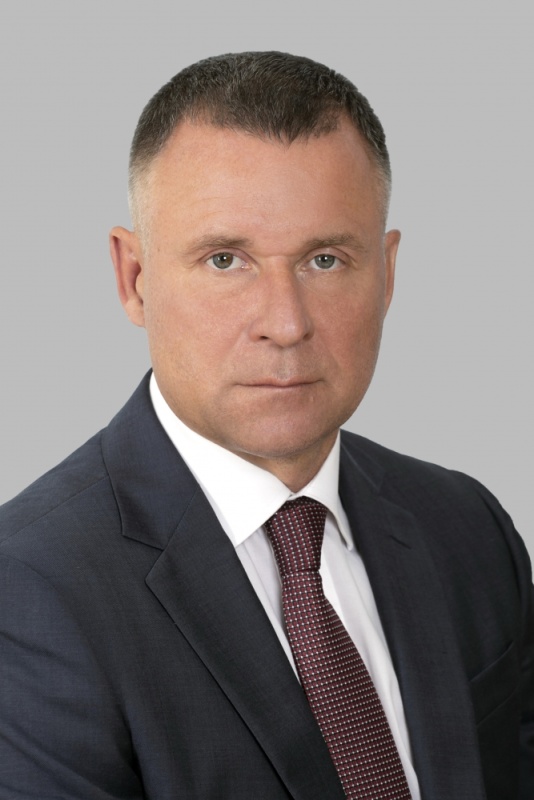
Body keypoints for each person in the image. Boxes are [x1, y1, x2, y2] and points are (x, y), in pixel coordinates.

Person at [0, 51, 532, 800]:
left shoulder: (468, 527)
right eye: (226, 260)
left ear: (386, 274)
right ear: (134, 279)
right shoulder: (28, 591)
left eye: (325, 260)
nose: (285, 324)